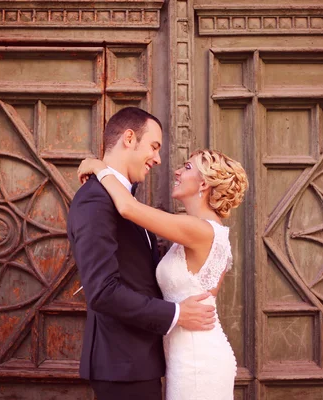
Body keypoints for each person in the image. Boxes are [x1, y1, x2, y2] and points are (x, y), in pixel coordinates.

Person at [67, 107, 217, 400]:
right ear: (129, 138)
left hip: (142, 362)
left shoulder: (126, 200)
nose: (158, 159)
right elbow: (103, 291)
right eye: (154, 146)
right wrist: (176, 313)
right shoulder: (95, 201)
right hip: (121, 365)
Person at [77, 147, 248, 400]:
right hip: (182, 355)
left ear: (204, 183)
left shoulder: (200, 230)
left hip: (198, 361)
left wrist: (99, 167)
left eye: (187, 167)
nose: (177, 171)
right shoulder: (197, 231)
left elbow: (127, 208)